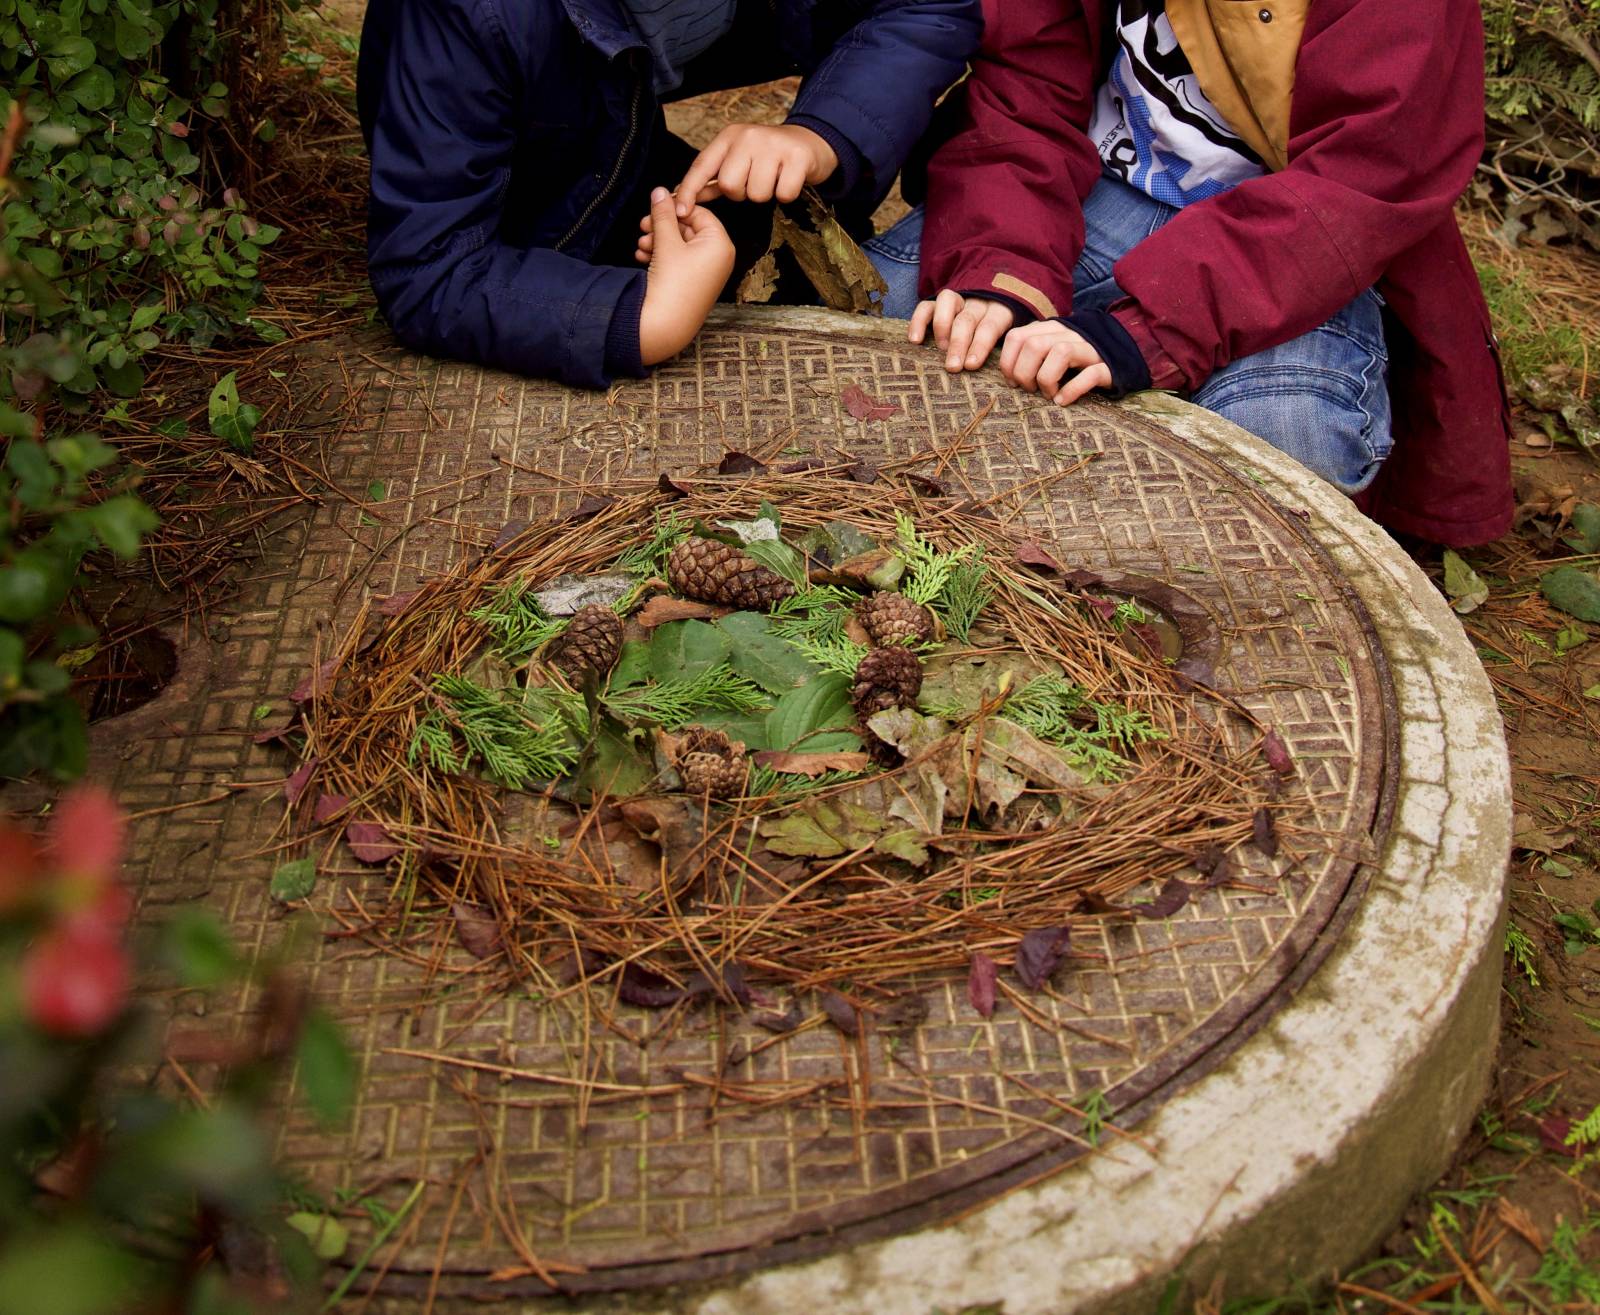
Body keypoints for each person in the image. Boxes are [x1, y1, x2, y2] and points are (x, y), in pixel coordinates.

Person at [867, 0, 1514, 546]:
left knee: (1287, 444)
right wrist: (998, 269)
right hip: (1101, 183)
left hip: (1298, 239)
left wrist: (1145, 333)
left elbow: (1365, 176)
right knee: (888, 326)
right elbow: (1026, 88)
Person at [356, 0, 982, 390]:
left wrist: (822, 134)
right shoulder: (464, 15)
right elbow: (430, 267)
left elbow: (925, 5)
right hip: (537, 204)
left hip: (616, 133)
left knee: (802, 274)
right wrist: (645, 317)